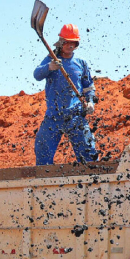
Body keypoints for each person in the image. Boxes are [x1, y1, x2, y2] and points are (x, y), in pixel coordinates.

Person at [33, 23, 98, 166]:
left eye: (73, 43)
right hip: (53, 117)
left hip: (75, 116)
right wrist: (50, 67)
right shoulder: (51, 58)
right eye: (68, 42)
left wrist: (90, 102)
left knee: (88, 153)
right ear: (61, 42)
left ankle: (91, 183)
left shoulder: (81, 63)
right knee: (43, 151)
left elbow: (88, 87)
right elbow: (37, 74)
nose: (70, 46)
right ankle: (45, 183)